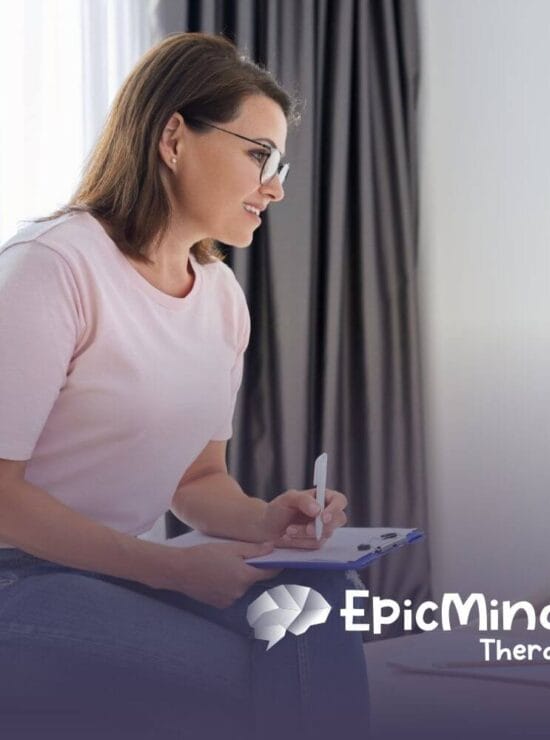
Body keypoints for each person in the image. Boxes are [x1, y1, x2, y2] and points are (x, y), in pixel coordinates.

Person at [0, 32, 368, 739]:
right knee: (246, 669)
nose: (278, 185)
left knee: (322, 595)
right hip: (18, 575)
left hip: (116, 569)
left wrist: (267, 522)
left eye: (280, 161)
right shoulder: (53, 268)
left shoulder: (222, 298)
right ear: (173, 137)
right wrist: (171, 570)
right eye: (259, 154)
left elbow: (197, 480)